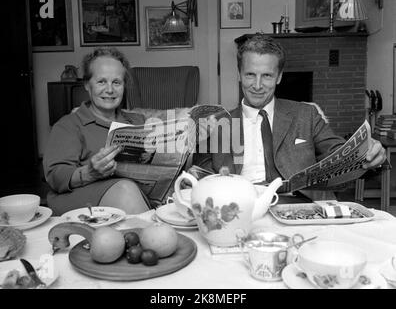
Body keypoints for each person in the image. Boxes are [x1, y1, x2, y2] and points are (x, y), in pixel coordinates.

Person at [194, 34, 386, 201]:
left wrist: (369, 154)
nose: (258, 85)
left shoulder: (306, 115)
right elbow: (201, 178)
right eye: (251, 75)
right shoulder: (218, 123)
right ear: (239, 75)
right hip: (239, 208)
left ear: (279, 77)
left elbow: (339, 153)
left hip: (297, 207)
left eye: (267, 76)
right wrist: (195, 143)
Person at [43, 47, 151, 216]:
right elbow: (56, 177)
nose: (110, 89)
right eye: (101, 81)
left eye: (116, 82)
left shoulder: (138, 121)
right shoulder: (68, 125)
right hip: (80, 197)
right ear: (87, 85)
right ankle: (153, 239)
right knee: (126, 189)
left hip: (135, 194)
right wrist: (89, 172)